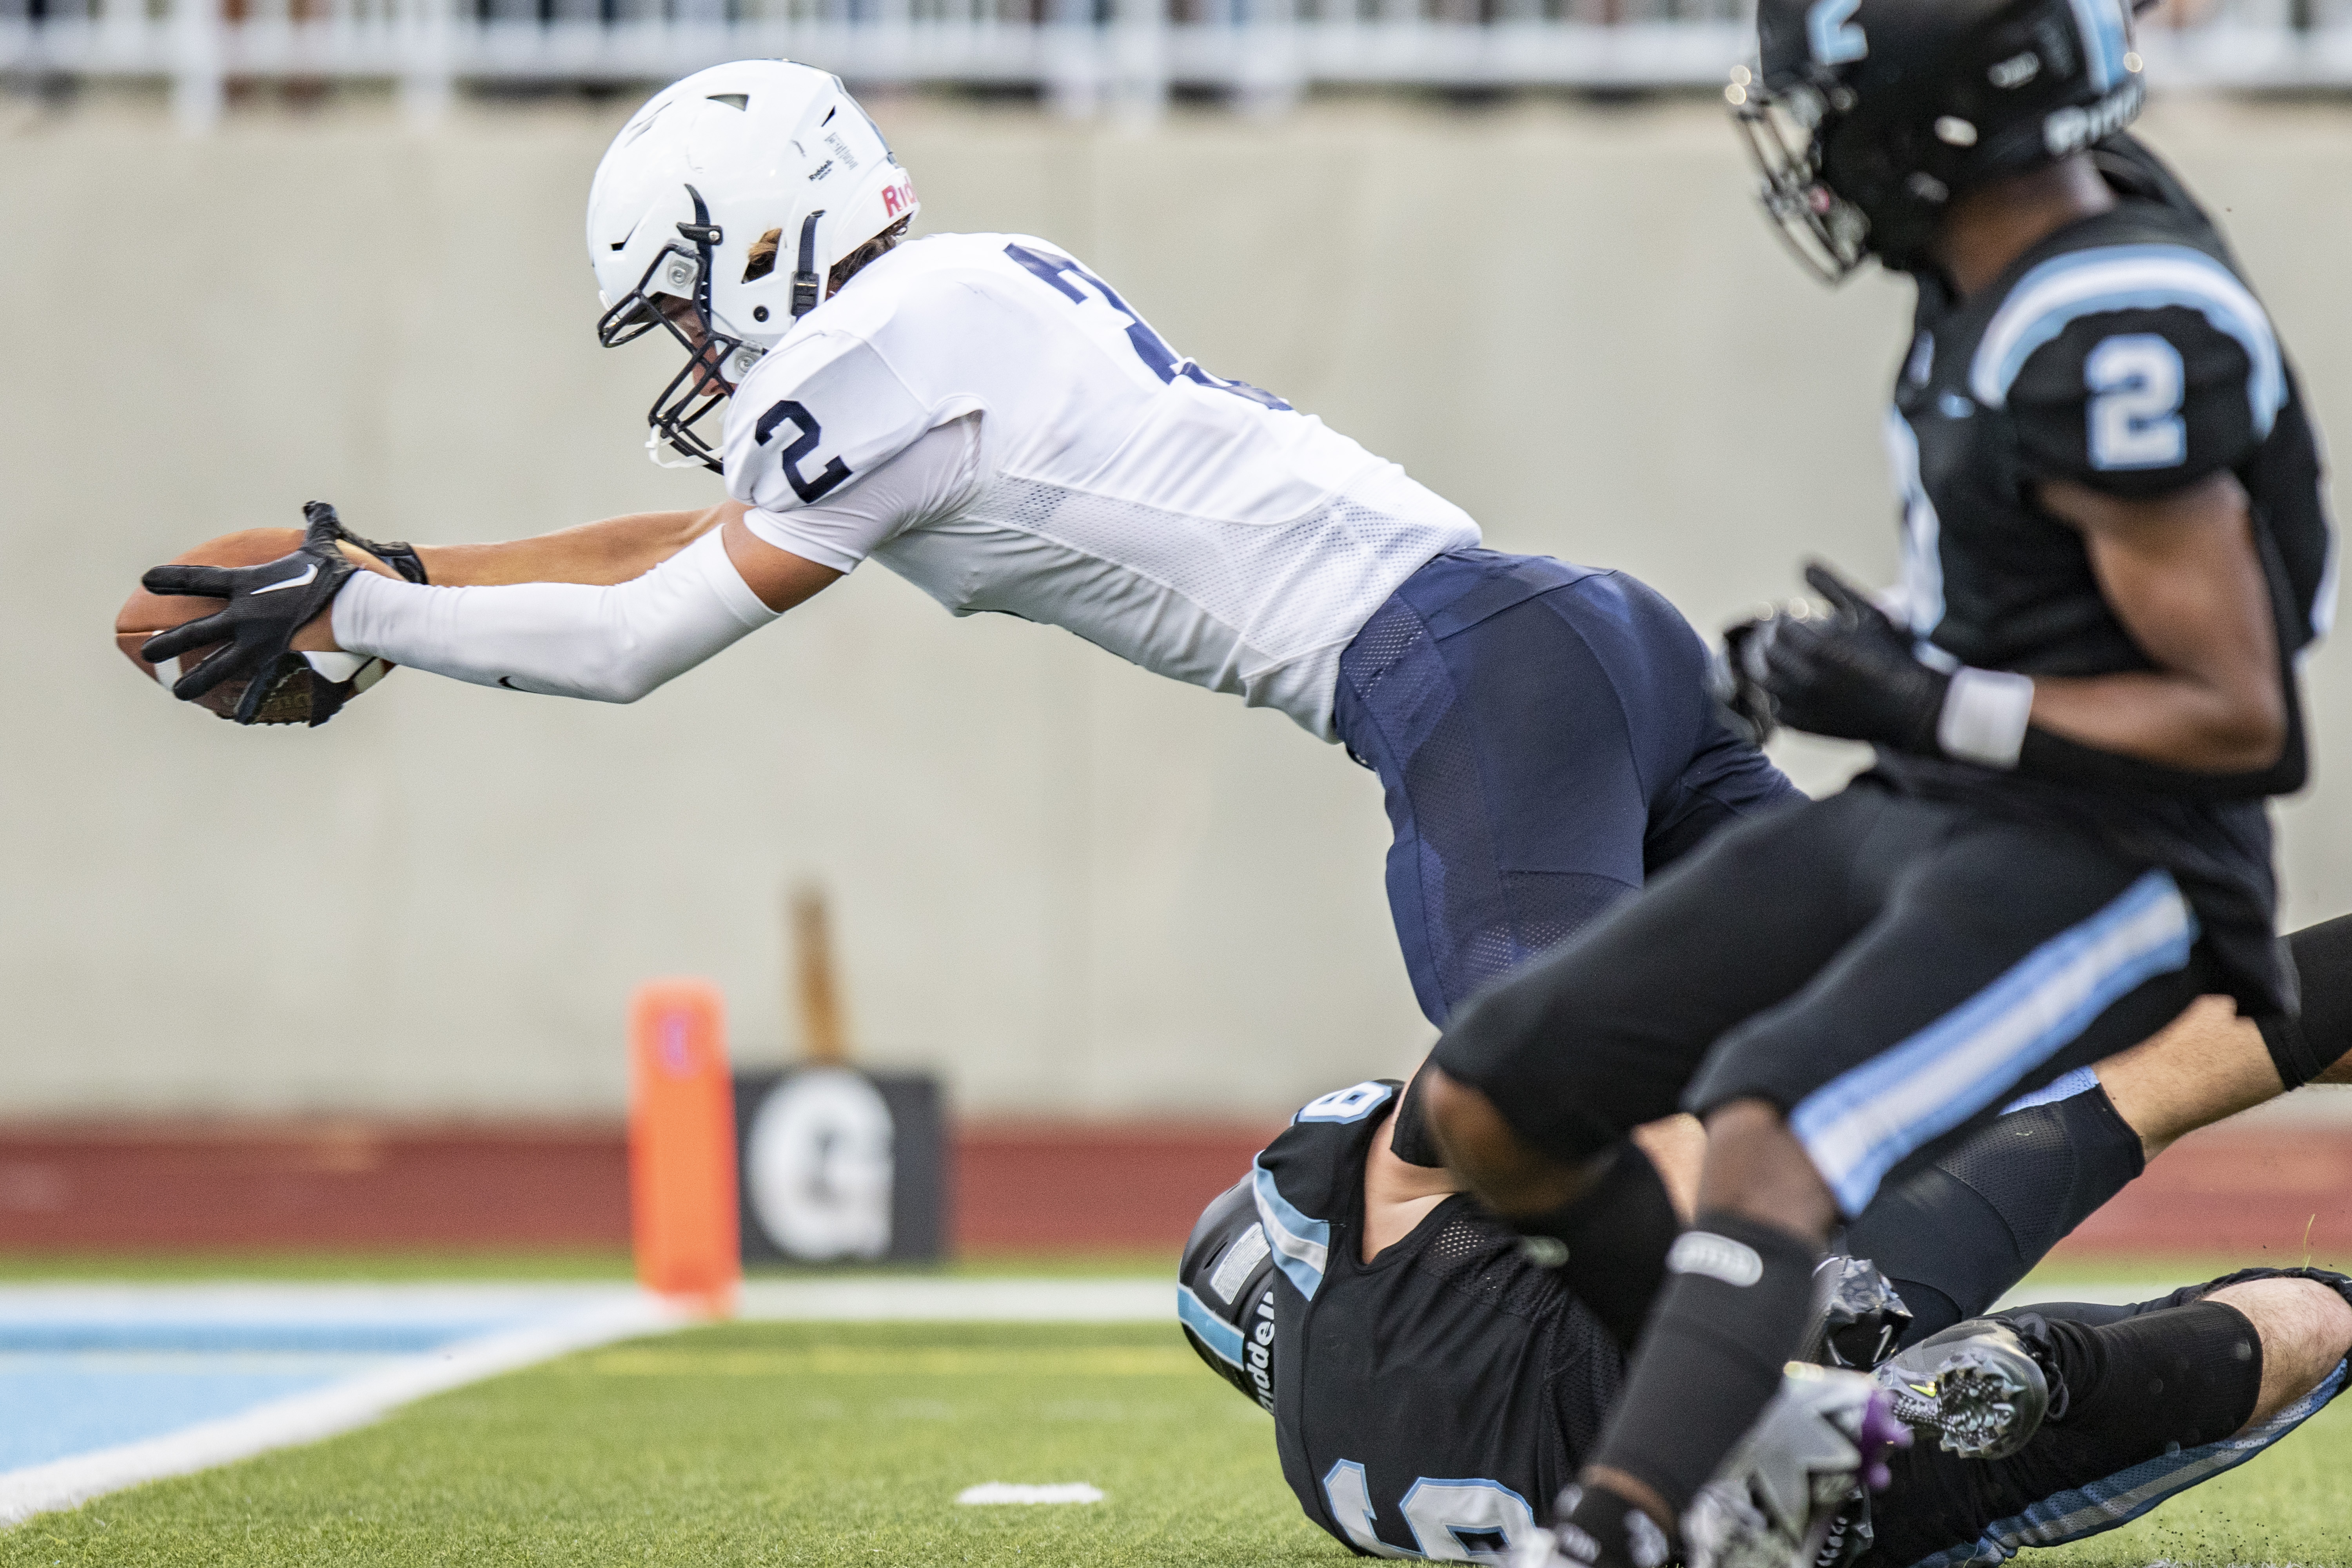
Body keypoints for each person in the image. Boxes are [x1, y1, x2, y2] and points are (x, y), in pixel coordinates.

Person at [135, 57, 1793, 1036]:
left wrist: (354, 614)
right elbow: (690, 543)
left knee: (1532, 1114)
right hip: (1576, 638)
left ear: (765, 239)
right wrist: (414, 573)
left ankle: (1693, 1455)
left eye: (687, 309)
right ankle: (1890, 1349)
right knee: (1869, 1021)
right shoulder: (961, 297)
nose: (697, 359)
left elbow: (640, 640)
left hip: (1467, 689)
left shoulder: (870, 365)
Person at [1407, 0, 2336, 1561]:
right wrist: (1887, 675)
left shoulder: (2110, 326)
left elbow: (2241, 721)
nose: (1811, 147)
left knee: (1776, 1120)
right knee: (1494, 1092)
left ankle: (1625, 1524)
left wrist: (1923, 694)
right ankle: (1771, 1421)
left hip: (2128, 852)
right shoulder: (1999, 252)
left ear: (1941, 118)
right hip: (1951, 805)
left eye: (1832, 106)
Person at [1181, 1070, 2352, 1566]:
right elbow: (1505, 1074)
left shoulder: (1330, 1475)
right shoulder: (1356, 1215)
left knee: (2316, 1321)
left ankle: (2053, 1362)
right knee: (2127, 1094)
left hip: (1790, 1527)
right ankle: (2018, 1352)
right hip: (1732, 1335)